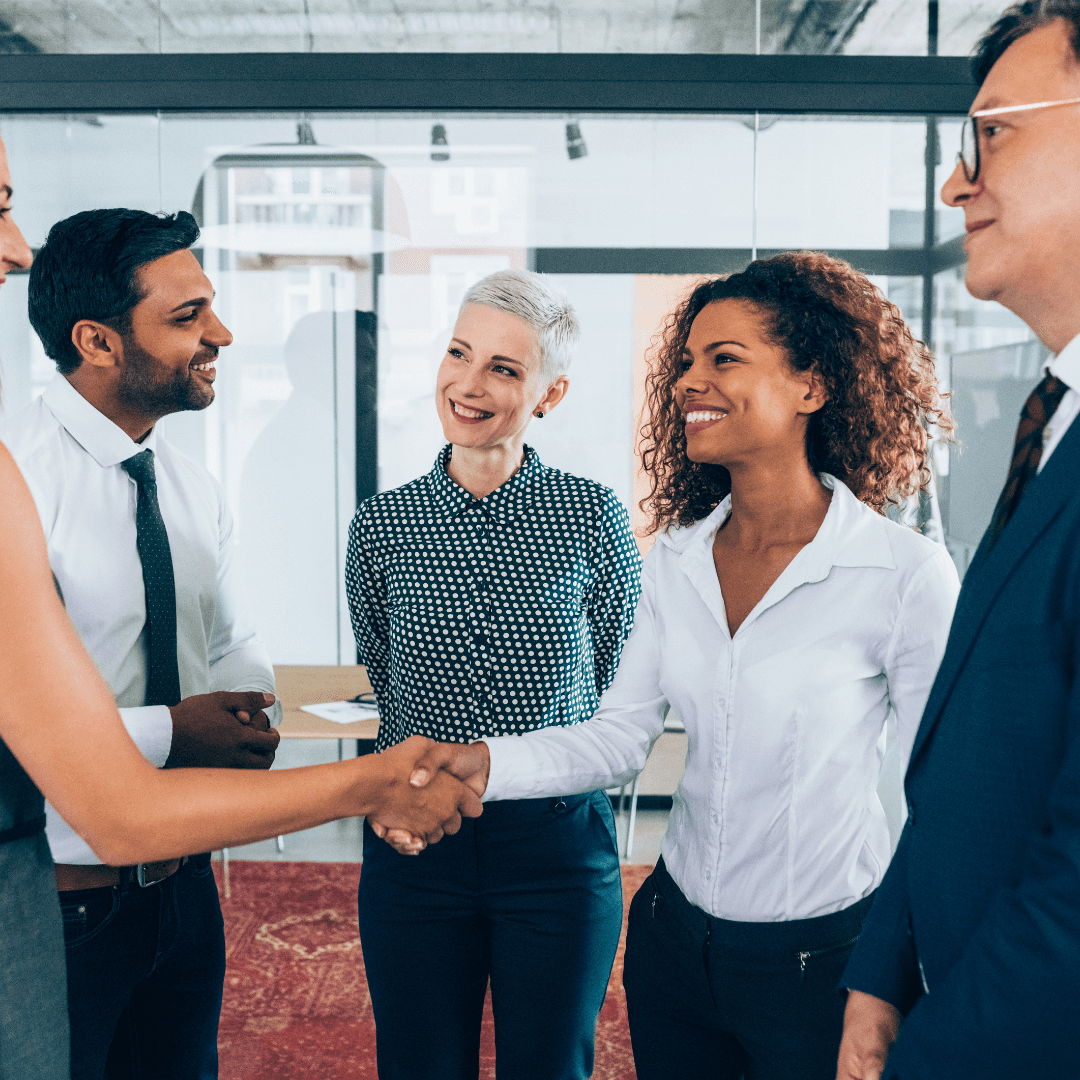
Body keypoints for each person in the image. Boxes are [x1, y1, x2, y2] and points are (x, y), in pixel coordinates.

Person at [407, 252, 960, 1080]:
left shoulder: (903, 574)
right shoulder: (676, 559)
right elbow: (617, 739)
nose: (687, 382)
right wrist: (480, 760)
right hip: (672, 945)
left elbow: (944, 802)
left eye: (723, 359)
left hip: (821, 963)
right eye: (687, 362)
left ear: (811, 385)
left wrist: (891, 980)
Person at [0, 132, 480, 1080]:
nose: (221, 335)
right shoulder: (19, 479)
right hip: (60, 903)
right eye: (190, 316)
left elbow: (228, 634)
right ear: (98, 342)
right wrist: (175, 733)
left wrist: (256, 708)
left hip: (184, 891)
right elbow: (39, 749)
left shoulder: (185, 479)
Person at [833, 5, 1080, 1078]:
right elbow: (979, 755)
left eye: (993, 135)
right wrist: (885, 965)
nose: (956, 184)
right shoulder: (1048, 418)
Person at [346, 269, 643, 1080]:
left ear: (550, 393)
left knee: (550, 1066)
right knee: (418, 1065)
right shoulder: (382, 521)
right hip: (413, 844)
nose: (468, 385)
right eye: (458, 354)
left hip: (553, 847)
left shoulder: (592, 517)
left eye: (504, 369)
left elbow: (619, 671)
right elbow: (383, 666)